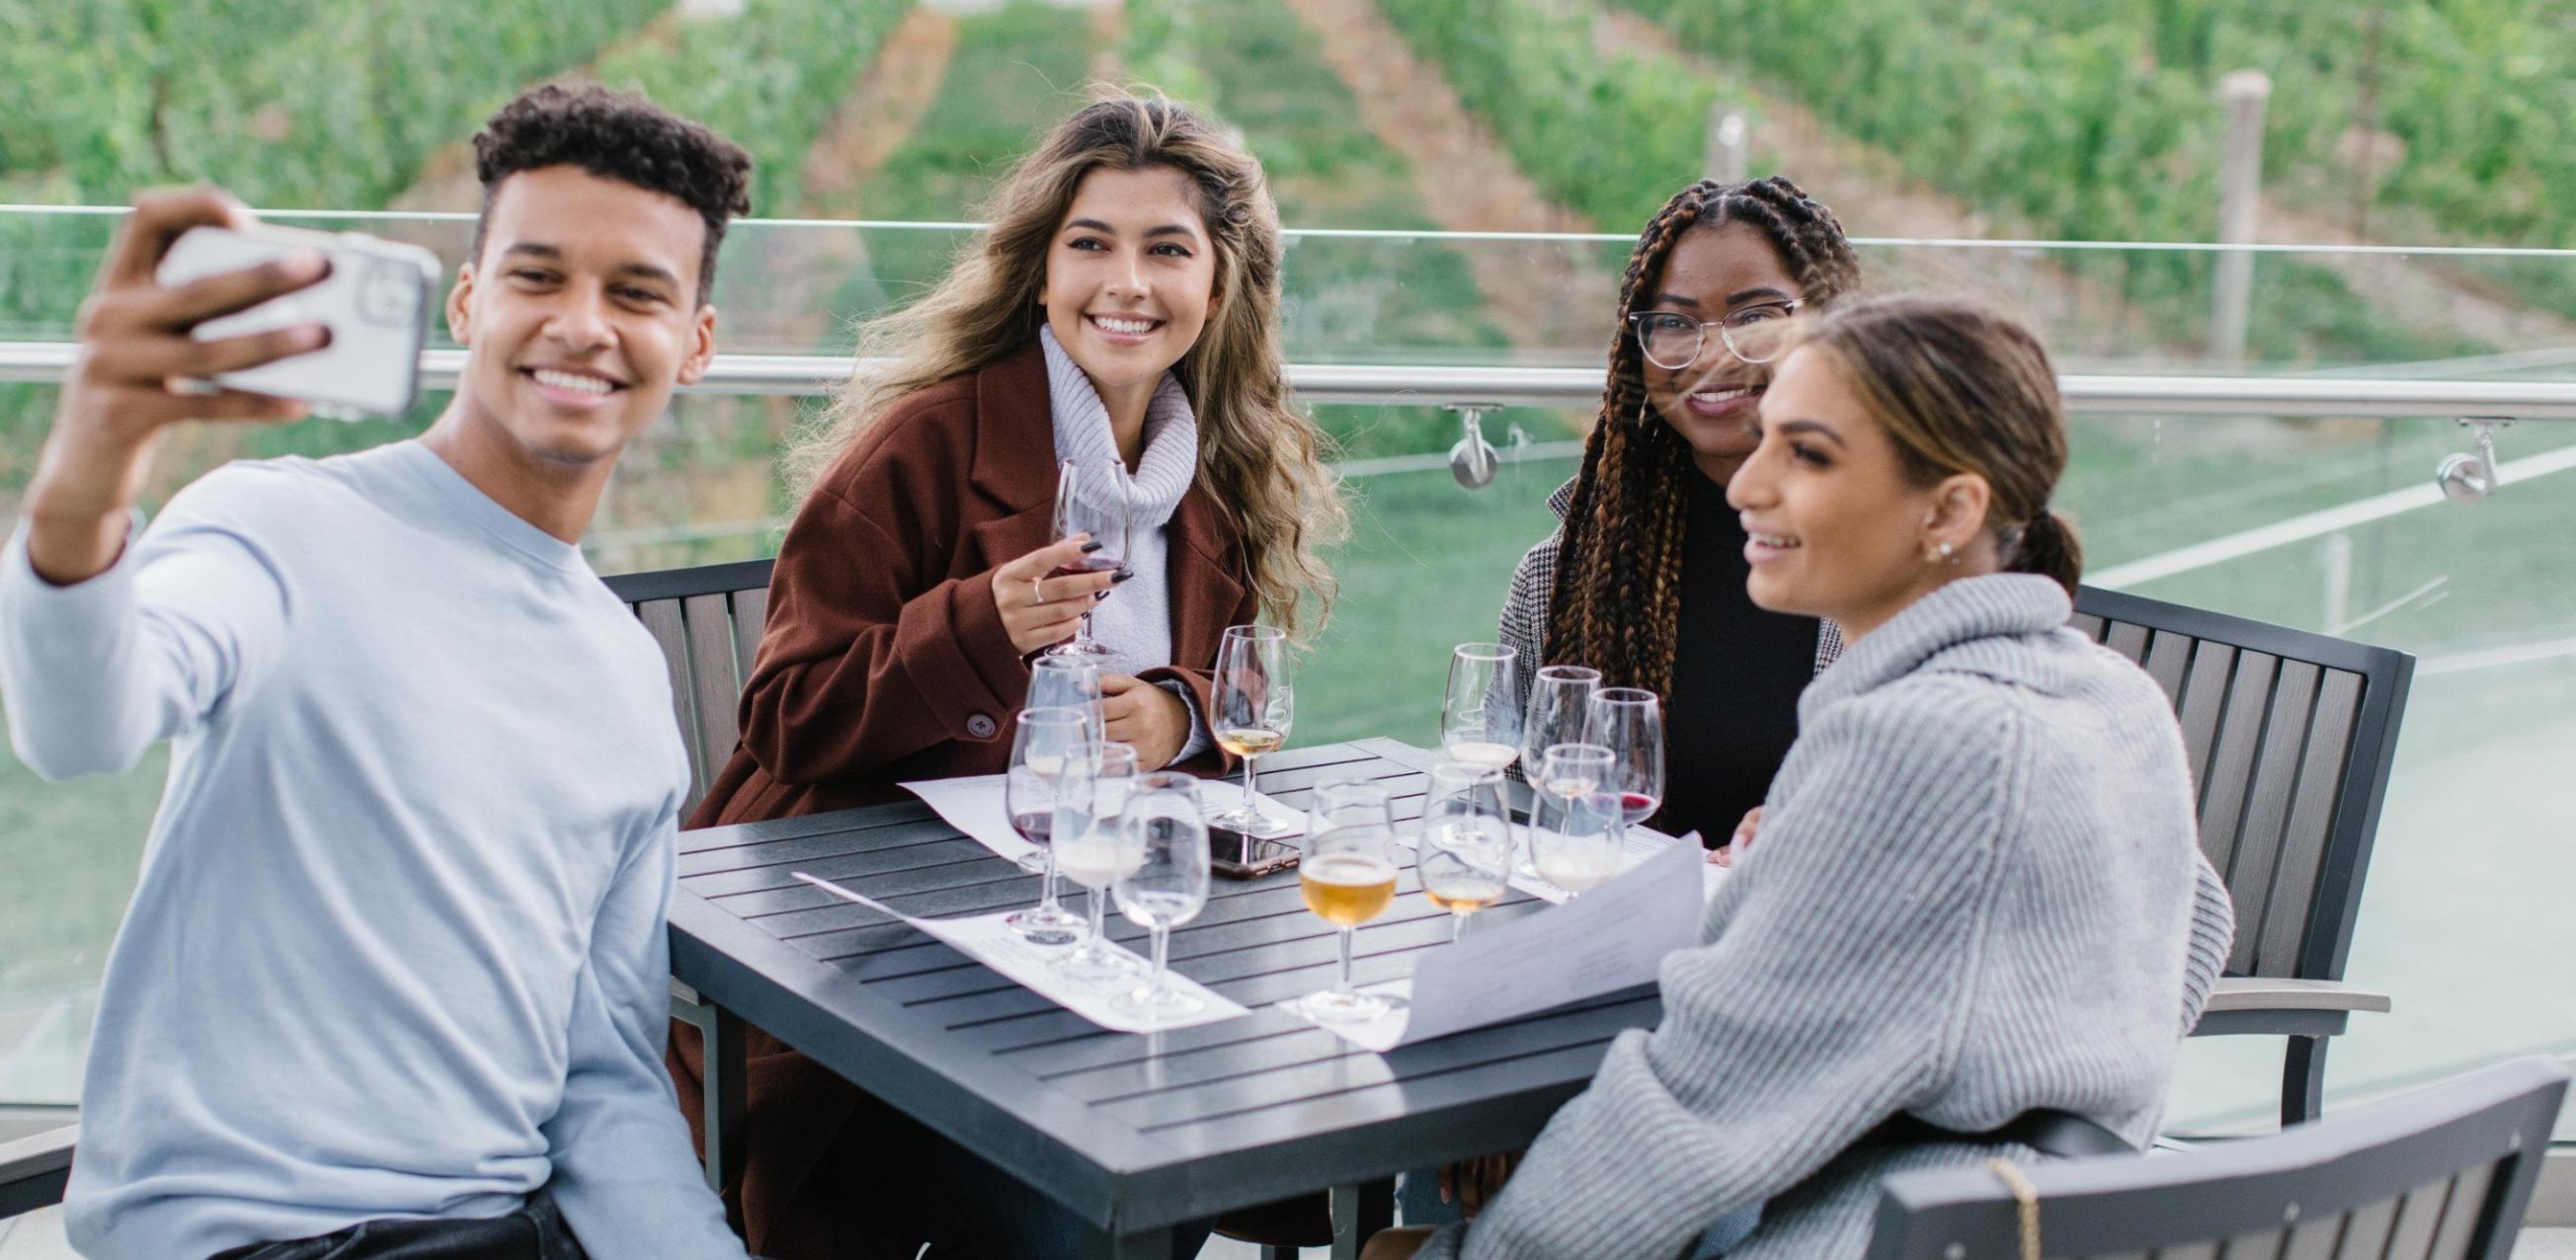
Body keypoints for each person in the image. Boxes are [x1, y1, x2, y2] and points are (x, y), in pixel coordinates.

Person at [0, 84, 755, 1260]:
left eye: (637, 292)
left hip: (504, 1231)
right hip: (250, 1239)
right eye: (538, 276)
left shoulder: (622, 674)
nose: (582, 324)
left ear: (694, 344)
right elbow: (78, 724)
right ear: (469, 300)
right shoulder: (278, 528)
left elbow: (603, 1076)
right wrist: (90, 462)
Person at [1368, 295, 2237, 1259]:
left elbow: (1688, 1119)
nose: (1748, 484)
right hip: (2020, 1221)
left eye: (1808, 454)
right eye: (1766, 440)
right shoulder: (2115, 694)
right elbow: (2196, 927)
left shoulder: (1915, 744)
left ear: (1950, 510)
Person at [673, 95, 1343, 1259]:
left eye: (1167, 249)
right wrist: (975, 625)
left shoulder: (1216, 478)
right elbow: (785, 718)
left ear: (1218, 286)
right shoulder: (925, 446)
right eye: (1090, 244)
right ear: (1040, 274)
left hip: (1092, 953)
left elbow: (1230, 694)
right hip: (878, 982)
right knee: (1096, 1206)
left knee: (1205, 1149)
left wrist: (1177, 715)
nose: (1125, 282)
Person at [1496, 177, 1861, 849]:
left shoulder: (1902, 562)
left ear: (1831, 323)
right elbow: (1514, 811)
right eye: (1673, 323)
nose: (1712, 356)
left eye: (1755, 317)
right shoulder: (1562, 577)